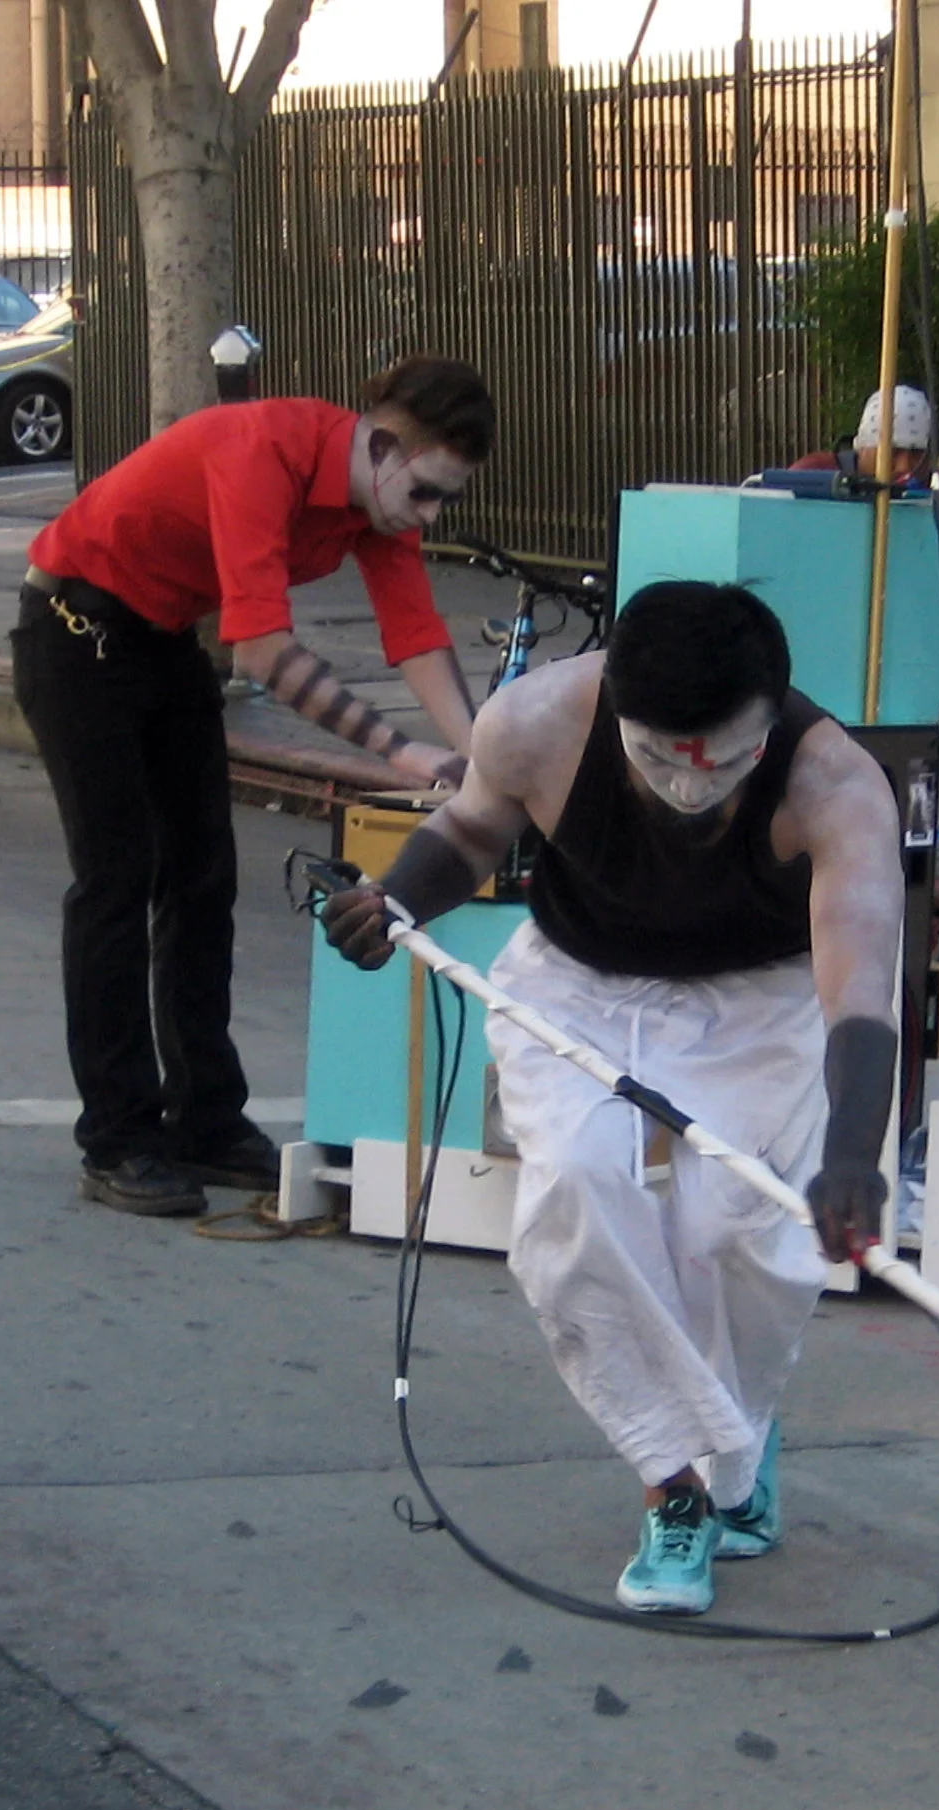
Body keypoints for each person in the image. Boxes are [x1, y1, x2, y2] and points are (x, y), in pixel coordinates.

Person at [321, 580, 904, 1616]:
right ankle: (676, 1487)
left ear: (769, 716)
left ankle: (738, 1433)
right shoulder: (537, 720)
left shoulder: (836, 784)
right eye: (660, 756)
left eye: (722, 759)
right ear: (616, 709)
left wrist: (854, 1153)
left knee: (742, 1233)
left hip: (760, 1004)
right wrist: (395, 900)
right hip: (581, 986)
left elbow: (858, 993)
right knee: (581, 1195)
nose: (692, 783)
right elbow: (468, 830)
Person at [16, 355, 490, 1219]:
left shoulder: (374, 503)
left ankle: (205, 1119)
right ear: (383, 444)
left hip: (158, 641)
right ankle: (118, 1137)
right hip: (74, 630)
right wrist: (403, 752)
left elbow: (417, 635)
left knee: (203, 880)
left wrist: (485, 763)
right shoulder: (260, 451)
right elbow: (263, 655)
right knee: (117, 879)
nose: (427, 516)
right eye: (424, 492)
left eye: (444, 502)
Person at [791, 385, 939, 501]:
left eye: (917, 453)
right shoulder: (812, 476)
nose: (905, 466)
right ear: (863, 448)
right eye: (893, 452)